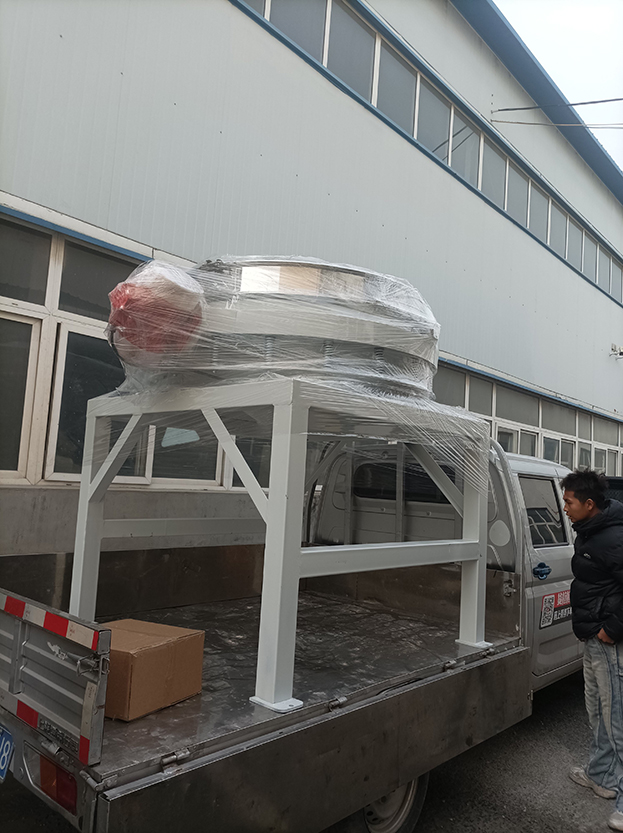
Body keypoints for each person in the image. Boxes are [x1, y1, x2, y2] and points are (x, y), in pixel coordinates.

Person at [562, 469, 623, 831]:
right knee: (597, 713)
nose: (564, 508)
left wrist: (611, 629)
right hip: (594, 638)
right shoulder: (590, 531)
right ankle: (601, 776)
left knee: (617, 721)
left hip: (609, 641)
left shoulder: (613, 537)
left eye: (569, 502)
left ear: (588, 504)